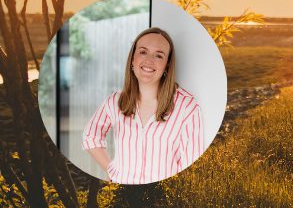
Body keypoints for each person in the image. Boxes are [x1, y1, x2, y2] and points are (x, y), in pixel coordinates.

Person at [83, 27, 205, 184]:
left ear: (167, 65)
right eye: (143, 52)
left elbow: (191, 169)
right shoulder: (115, 101)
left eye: (158, 55)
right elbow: (91, 136)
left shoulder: (187, 107)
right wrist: (112, 169)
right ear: (133, 59)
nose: (149, 60)